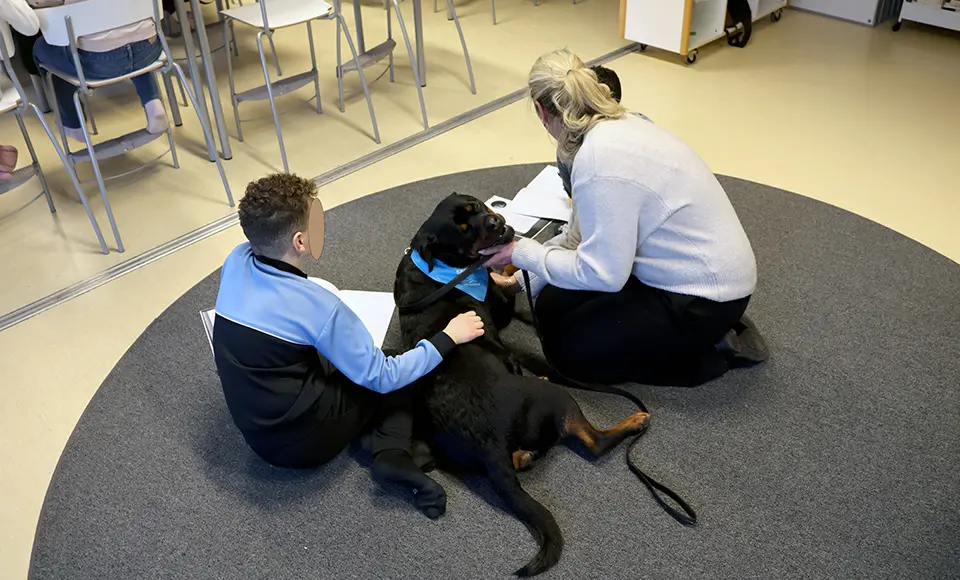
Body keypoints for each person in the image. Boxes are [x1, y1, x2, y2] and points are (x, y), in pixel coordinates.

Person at [483, 49, 768, 387]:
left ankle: (710, 352)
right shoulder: (618, 124)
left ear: (541, 111)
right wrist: (519, 279)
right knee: (549, 307)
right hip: (682, 268)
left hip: (703, 295)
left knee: (567, 355)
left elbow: (604, 274)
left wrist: (519, 253)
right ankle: (684, 333)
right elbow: (579, 236)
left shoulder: (599, 161)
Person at [212, 173, 484, 519]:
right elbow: (383, 376)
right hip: (303, 445)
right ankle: (392, 456)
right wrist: (449, 336)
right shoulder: (319, 307)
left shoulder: (235, 260)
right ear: (299, 241)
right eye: (314, 220)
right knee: (397, 365)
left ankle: (374, 440)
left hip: (257, 433)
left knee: (334, 362)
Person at [18, 0, 169, 142]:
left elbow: (36, 9)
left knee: (44, 48)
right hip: (150, 47)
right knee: (128, 29)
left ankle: (73, 123)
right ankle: (152, 102)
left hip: (98, 62)